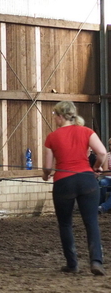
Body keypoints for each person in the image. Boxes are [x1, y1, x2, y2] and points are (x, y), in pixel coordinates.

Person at [42, 101, 107, 276]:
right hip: (87, 180)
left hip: (64, 182)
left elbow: (48, 167)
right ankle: (96, 262)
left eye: (55, 115)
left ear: (61, 116)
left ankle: (72, 263)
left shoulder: (51, 137)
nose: (54, 118)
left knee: (65, 224)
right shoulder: (87, 132)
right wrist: (97, 168)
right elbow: (101, 153)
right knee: (91, 222)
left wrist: (45, 175)